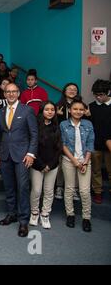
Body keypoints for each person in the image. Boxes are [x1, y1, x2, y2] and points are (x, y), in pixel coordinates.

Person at [0, 83, 38, 237]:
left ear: (19, 93)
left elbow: (34, 134)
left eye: (14, 92)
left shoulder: (27, 110)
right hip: (6, 154)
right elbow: (1, 134)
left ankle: (23, 221)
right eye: (8, 92)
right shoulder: (0, 112)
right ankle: (12, 214)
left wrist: (31, 154)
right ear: (5, 94)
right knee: (8, 186)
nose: (11, 94)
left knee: (23, 187)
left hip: (22, 156)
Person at [60, 98, 94, 232]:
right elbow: (62, 144)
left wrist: (85, 161)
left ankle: (86, 218)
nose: (78, 111)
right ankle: (70, 215)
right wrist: (74, 160)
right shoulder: (63, 124)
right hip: (69, 160)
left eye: (81, 109)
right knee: (69, 189)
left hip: (85, 161)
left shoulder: (88, 124)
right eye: (75, 109)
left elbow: (90, 143)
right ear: (69, 110)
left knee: (85, 191)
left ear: (85, 111)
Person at [29, 101, 62, 229]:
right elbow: (33, 147)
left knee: (49, 191)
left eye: (52, 110)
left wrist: (50, 164)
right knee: (36, 190)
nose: (50, 112)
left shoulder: (56, 126)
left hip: (52, 165)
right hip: (37, 164)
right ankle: (34, 212)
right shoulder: (35, 126)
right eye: (47, 109)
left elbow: (59, 148)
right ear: (42, 111)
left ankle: (45, 214)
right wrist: (42, 165)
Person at [55, 83, 81, 200]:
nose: (72, 91)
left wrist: (88, 115)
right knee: (61, 164)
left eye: (74, 89)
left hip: (77, 139)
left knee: (76, 162)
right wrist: (57, 115)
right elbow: (53, 124)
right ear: (64, 91)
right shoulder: (58, 105)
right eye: (69, 89)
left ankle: (75, 189)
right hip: (62, 139)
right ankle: (59, 187)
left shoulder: (81, 105)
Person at [88, 80, 111, 204]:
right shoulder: (91, 106)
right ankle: (97, 192)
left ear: (108, 92)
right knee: (96, 170)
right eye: (96, 94)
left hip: (110, 145)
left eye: (101, 94)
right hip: (95, 144)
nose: (98, 97)